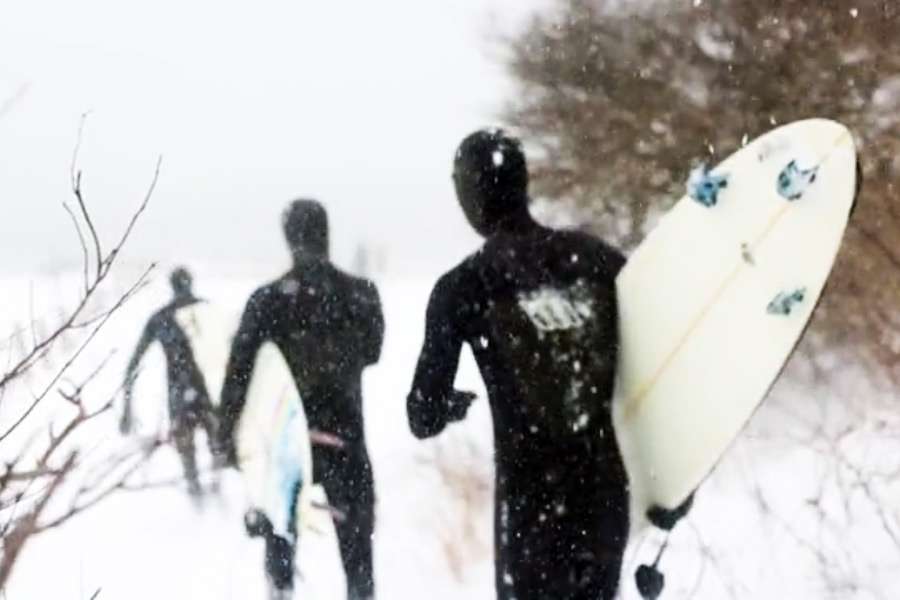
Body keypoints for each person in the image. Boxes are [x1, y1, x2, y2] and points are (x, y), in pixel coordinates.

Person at [405, 128, 691, 600]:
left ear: (468, 194)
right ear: (524, 184)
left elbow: (422, 414)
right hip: (603, 497)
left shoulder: (463, 286)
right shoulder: (598, 261)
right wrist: (677, 475)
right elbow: (662, 368)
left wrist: (452, 404)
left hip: (530, 508)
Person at [217, 198, 384, 599]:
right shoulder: (361, 294)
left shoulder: (267, 300)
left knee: (280, 549)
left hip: (289, 442)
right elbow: (373, 352)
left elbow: (238, 374)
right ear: (326, 233)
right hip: (346, 437)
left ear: (289, 237)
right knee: (358, 559)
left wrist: (227, 437)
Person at [121, 266, 220, 501]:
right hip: (206, 392)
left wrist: (127, 408)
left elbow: (133, 364)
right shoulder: (206, 310)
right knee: (216, 449)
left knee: (190, 457)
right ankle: (213, 496)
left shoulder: (162, 318)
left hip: (181, 395)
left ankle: (202, 500)